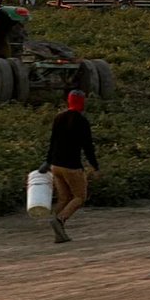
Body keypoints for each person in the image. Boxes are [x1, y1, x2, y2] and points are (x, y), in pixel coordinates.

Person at [43, 90, 99, 243]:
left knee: (64, 198)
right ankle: (59, 220)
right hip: (72, 167)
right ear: (82, 102)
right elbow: (88, 147)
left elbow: (52, 142)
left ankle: (58, 233)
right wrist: (95, 166)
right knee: (79, 197)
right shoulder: (82, 121)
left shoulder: (58, 118)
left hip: (56, 166)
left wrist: (47, 162)